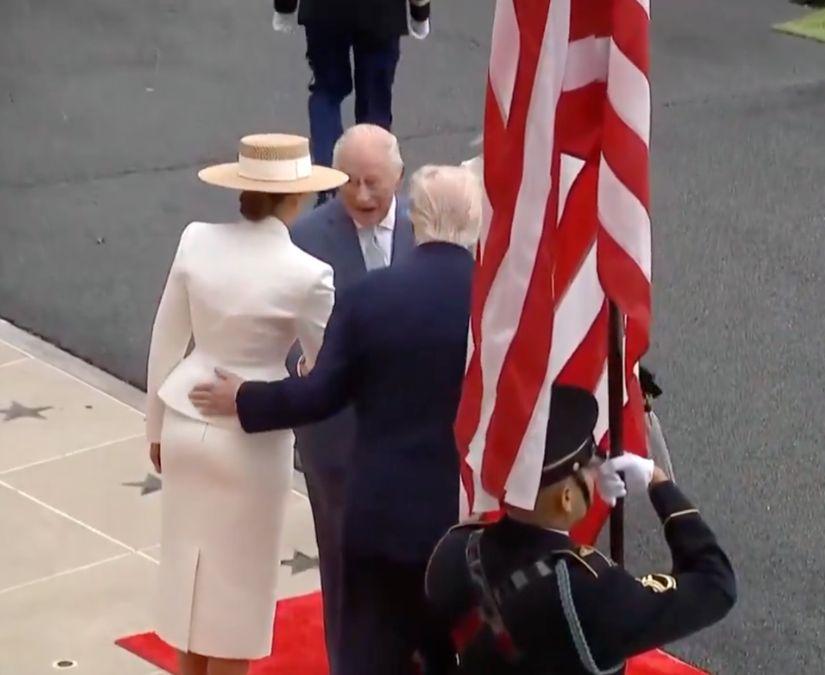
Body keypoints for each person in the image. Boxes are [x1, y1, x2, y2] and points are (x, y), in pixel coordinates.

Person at [188, 164, 481, 675]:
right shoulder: (496, 303)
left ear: (417, 220)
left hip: (380, 512)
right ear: (476, 221)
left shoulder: (370, 297)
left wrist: (246, 399)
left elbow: (320, 395)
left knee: (373, 649)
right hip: (466, 513)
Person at [145, 133, 347, 675]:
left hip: (186, 423)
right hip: (251, 441)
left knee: (190, 588)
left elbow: (166, 341)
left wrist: (156, 429)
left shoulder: (196, 240)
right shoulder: (310, 274)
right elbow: (326, 364)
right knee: (237, 598)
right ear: (296, 199)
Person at [424, 385, 738, 674]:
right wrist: (659, 482)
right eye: (590, 464)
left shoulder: (454, 550)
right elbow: (715, 584)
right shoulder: (586, 592)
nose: (598, 469)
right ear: (567, 497)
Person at [283, 123, 415, 672]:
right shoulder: (302, 240)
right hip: (338, 439)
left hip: (413, 437)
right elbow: (281, 332)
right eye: (350, 183)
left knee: (414, 563)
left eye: (374, 183)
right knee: (341, 566)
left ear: (399, 178)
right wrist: (299, 365)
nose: (362, 196)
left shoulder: (427, 232)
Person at [271, 0, 432, 184]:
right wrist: (420, 12)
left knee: (326, 92)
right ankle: (374, 183)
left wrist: (285, 6)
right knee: (375, 101)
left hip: (323, 11)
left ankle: (328, 184)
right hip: (382, 13)